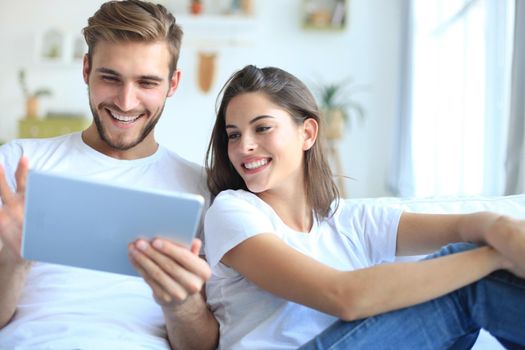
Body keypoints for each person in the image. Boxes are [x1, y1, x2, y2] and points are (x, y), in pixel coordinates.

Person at [203, 64, 525, 350]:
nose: (244, 146)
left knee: (471, 259)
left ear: (308, 133)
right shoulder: (232, 211)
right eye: (233, 135)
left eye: (262, 128)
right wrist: (495, 255)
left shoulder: (348, 219)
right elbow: (344, 297)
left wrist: (500, 230)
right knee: (470, 286)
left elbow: (463, 228)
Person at [0, 1, 218, 349]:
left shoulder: (203, 190)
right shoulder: (17, 164)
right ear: (86, 69)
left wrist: (182, 304)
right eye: (110, 78)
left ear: (172, 84)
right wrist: (14, 258)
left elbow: (200, 347)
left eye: (147, 82)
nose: (126, 102)